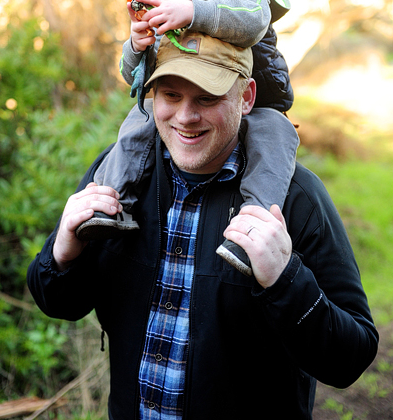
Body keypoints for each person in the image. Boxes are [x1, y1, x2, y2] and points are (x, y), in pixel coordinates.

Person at [27, 32, 378, 419]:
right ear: (151, 96)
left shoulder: (297, 199)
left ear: (246, 97)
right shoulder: (116, 177)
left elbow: (351, 358)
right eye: (170, 96)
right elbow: (62, 304)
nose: (185, 117)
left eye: (207, 99)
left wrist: (286, 280)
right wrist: (61, 254)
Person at [76, 0, 300, 276]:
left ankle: (254, 222)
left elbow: (250, 23)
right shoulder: (162, 6)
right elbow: (132, 77)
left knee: (275, 136)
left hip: (251, 101)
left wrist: (194, 12)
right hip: (185, 93)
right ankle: (112, 204)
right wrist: (136, 45)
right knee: (138, 121)